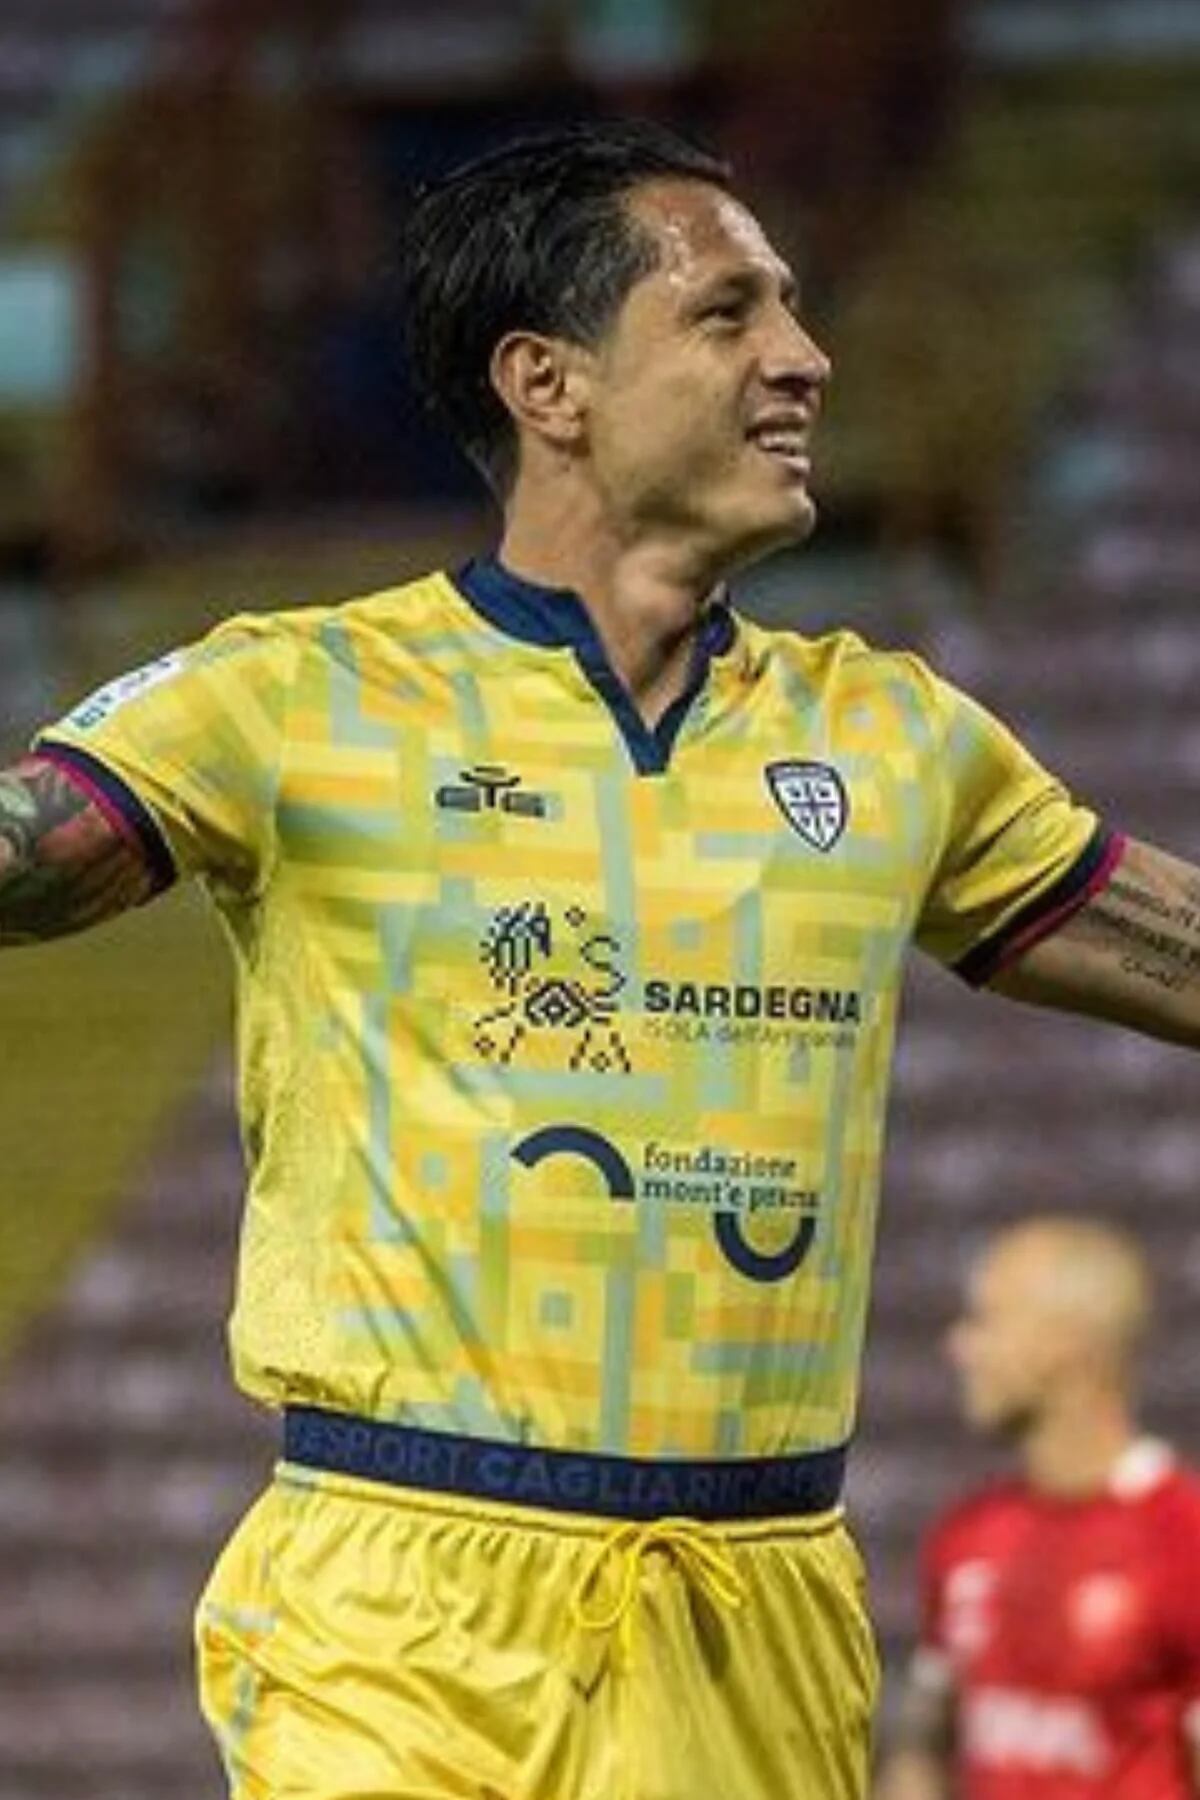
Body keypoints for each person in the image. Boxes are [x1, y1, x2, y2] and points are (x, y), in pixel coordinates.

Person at [2, 117, 1200, 1800]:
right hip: (402, 1608)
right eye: (727, 313)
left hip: (759, 1611)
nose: (804, 357)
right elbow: (23, 851)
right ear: (547, 385)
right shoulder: (298, 700)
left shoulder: (898, 741)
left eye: (793, 309)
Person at [876, 1219, 1200, 1800]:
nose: (960, 1346)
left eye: (986, 1319)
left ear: (1064, 1345)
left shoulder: (1184, 1537)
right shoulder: (967, 1533)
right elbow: (925, 1749)